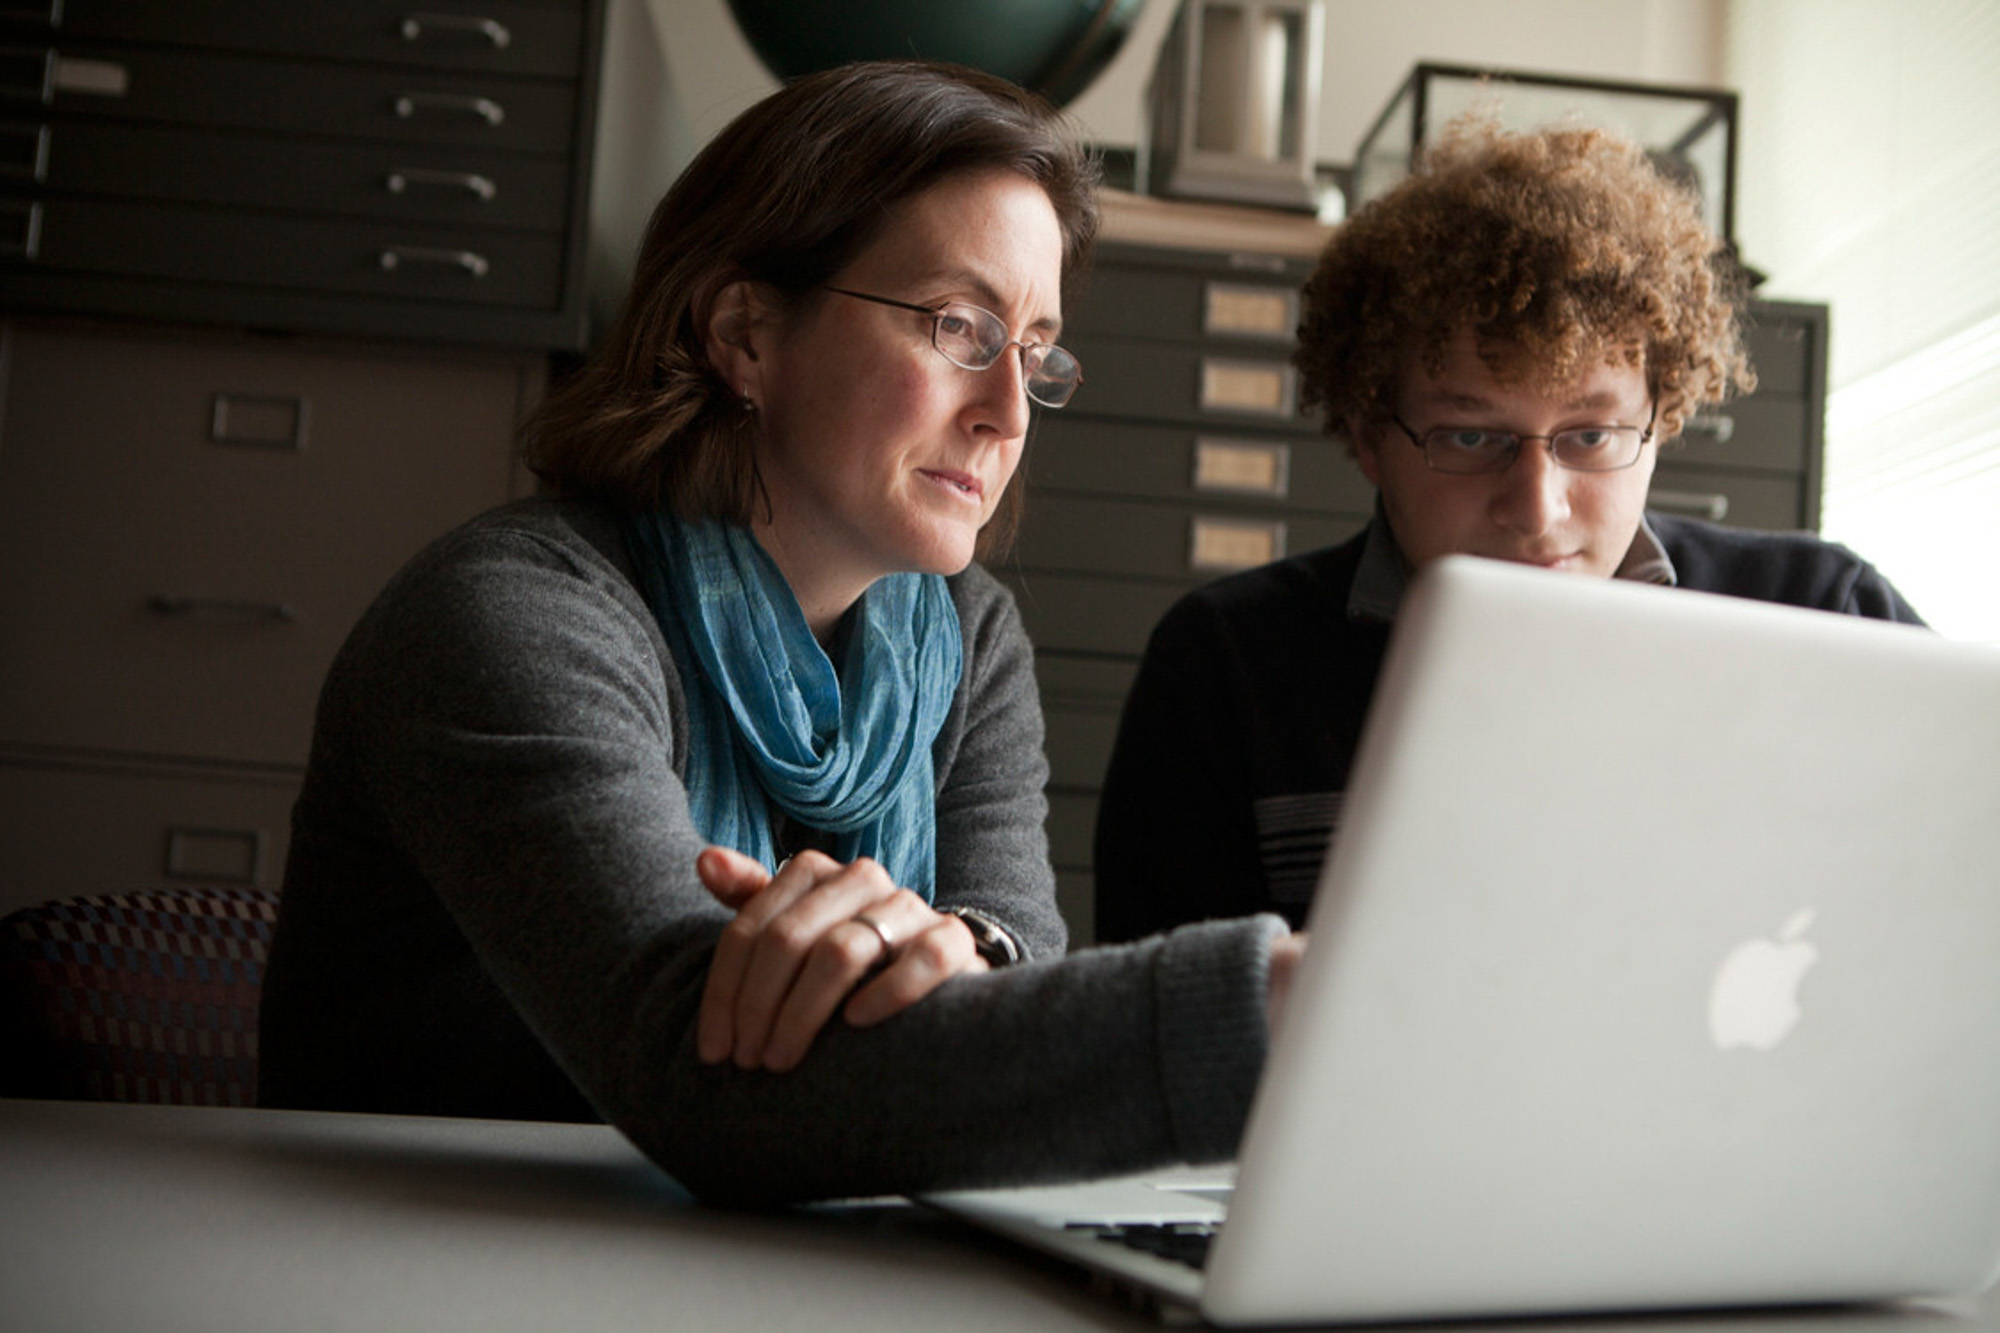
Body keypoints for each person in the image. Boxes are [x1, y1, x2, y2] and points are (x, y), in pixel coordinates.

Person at [257, 61, 1303, 1206]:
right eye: (959, 327)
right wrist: (1273, 1006)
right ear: (745, 334)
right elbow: (699, 1077)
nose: (1008, 412)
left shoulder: (969, 641)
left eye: (1035, 350)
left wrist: (952, 955)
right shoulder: (507, 618)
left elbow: (1012, 966)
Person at [1093, 115, 1924, 945]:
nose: (1537, 507)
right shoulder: (1226, 668)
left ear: (1661, 421)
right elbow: (1157, 1046)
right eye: (1470, 437)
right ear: (1369, 436)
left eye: (1591, 436)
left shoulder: (1827, 613)